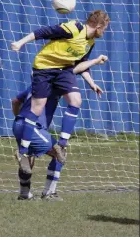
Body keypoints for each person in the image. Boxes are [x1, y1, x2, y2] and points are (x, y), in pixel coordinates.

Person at [11, 10, 110, 174]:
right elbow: (42, 32)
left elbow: (81, 63)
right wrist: (20, 43)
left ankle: (62, 145)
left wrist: (92, 83)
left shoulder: (90, 42)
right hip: (44, 67)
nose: (104, 32)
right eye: (105, 28)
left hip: (64, 70)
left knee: (76, 100)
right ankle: (22, 153)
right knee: (37, 108)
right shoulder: (73, 28)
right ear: (99, 25)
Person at [12, 54, 108, 201]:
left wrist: (18, 118)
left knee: (29, 158)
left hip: (19, 125)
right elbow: (74, 70)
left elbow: (15, 101)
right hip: (34, 128)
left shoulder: (31, 88)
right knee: (60, 152)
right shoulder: (52, 83)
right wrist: (95, 61)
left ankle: (24, 193)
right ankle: (49, 193)